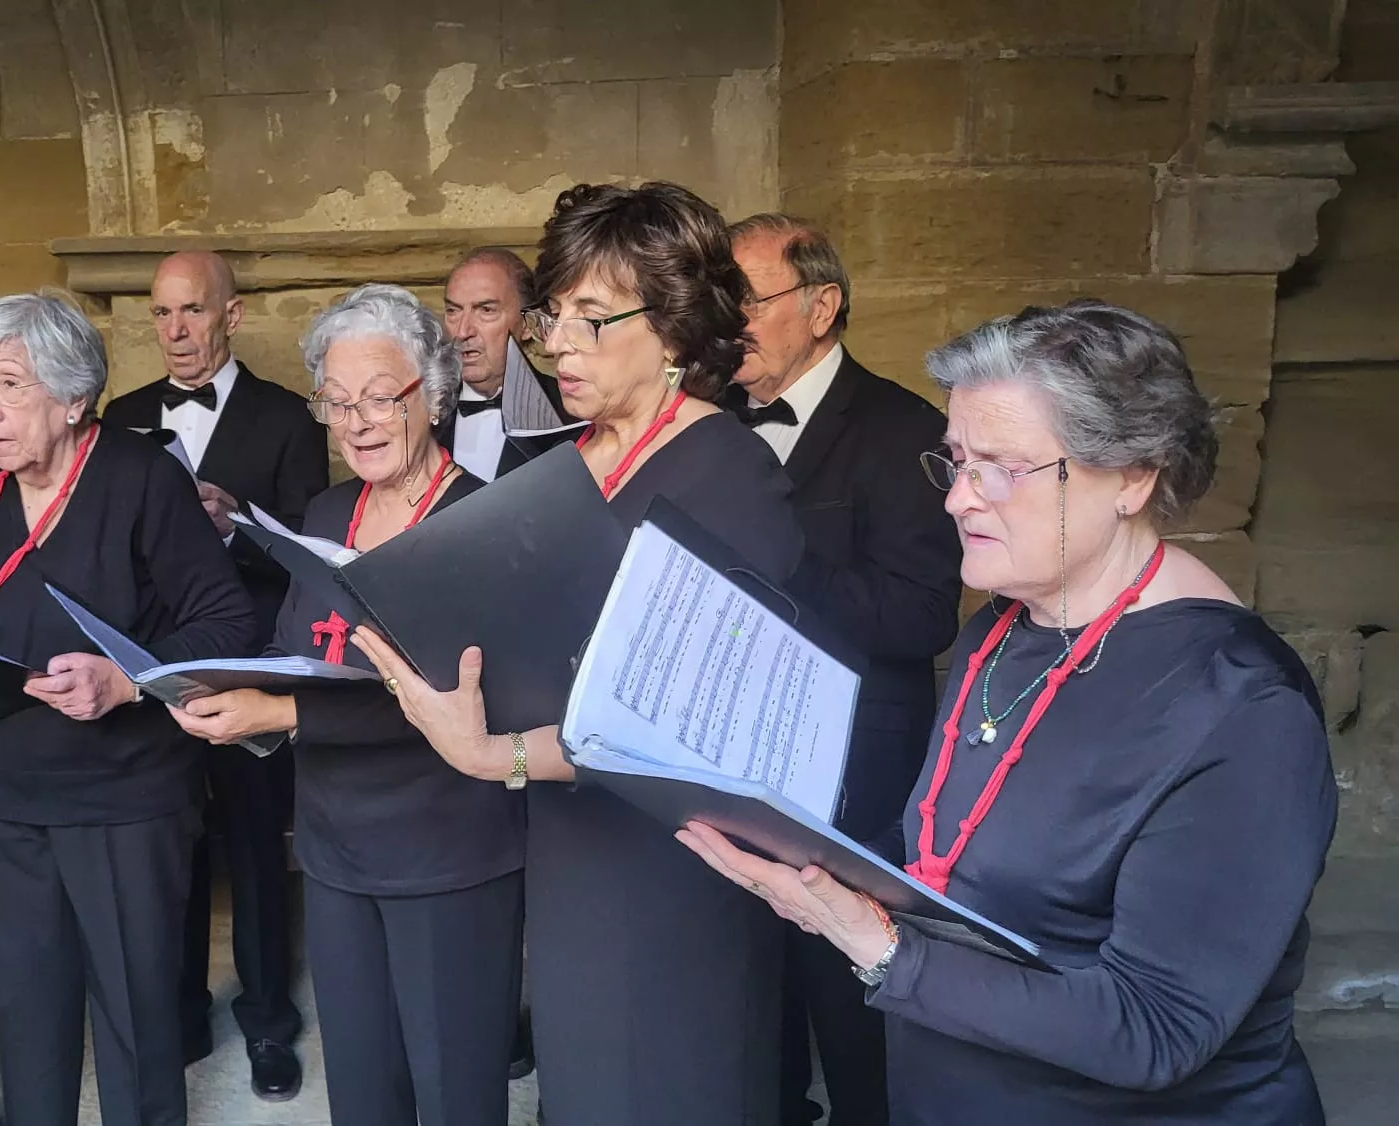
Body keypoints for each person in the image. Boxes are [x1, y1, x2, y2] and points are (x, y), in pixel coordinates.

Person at [678, 300, 1338, 1125]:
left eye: (1001, 468)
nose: (958, 500)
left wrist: (880, 948)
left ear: (1133, 475)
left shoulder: (1241, 706)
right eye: (955, 462)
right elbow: (950, 862)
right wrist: (786, 842)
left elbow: (1155, 1030)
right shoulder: (1005, 623)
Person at [356, 183, 807, 1126]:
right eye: (554, 315)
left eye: (592, 319)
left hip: (676, 861)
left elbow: (689, 720)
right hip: (569, 841)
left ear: (679, 330)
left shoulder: (732, 478)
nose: (556, 342)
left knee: (661, 1086)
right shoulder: (563, 459)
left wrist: (496, 755)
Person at [170, 285, 524, 1126]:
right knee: (363, 1089)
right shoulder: (327, 511)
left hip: (448, 854)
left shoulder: (487, 518)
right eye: (336, 402)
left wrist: (279, 715)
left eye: (378, 397)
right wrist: (212, 682)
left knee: (453, 1093)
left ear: (431, 394)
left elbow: (461, 694)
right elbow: (298, 651)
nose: (357, 421)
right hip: (334, 848)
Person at [0, 292, 255, 1126]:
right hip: (5, 793)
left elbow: (227, 621)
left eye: (10, 385)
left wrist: (125, 679)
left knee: (138, 1016)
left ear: (73, 397)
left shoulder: (139, 477)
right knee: (30, 1013)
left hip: (124, 798)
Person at [717, 213, 962, 1126]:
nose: (727, 320)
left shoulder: (906, 430)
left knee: (854, 1013)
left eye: (747, 298)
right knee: (752, 1005)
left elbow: (921, 614)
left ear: (823, 307)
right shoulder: (712, 425)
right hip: (733, 760)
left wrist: (781, 564)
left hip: (855, 778)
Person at [103, 251, 328, 1097]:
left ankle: (269, 1019)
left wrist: (233, 523)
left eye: (192, 312)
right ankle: (182, 1011)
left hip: (254, 666)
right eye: (162, 315)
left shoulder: (289, 420)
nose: (176, 331)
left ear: (230, 316)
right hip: (153, 673)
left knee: (256, 846)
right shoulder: (120, 417)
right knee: (172, 846)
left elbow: (312, 551)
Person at [436, 246, 568, 481]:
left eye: (486, 310)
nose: (463, 331)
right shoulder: (422, 414)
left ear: (528, 323)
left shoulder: (570, 414)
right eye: (453, 311)